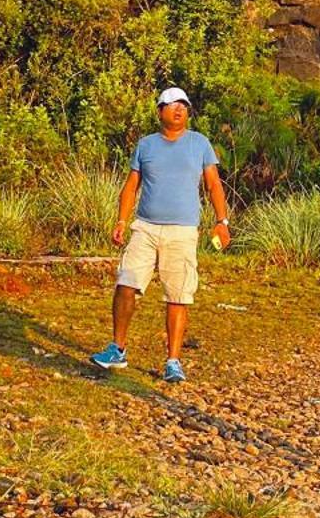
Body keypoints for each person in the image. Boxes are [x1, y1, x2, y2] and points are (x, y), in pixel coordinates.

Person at [91, 87, 231, 384]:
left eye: (183, 104)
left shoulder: (199, 144)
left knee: (178, 295)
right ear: (159, 111)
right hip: (145, 227)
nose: (178, 109)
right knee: (125, 284)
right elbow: (131, 186)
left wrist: (222, 221)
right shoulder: (146, 145)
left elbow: (214, 185)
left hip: (182, 231)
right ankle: (118, 349)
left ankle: (173, 361)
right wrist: (120, 220)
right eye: (171, 104)